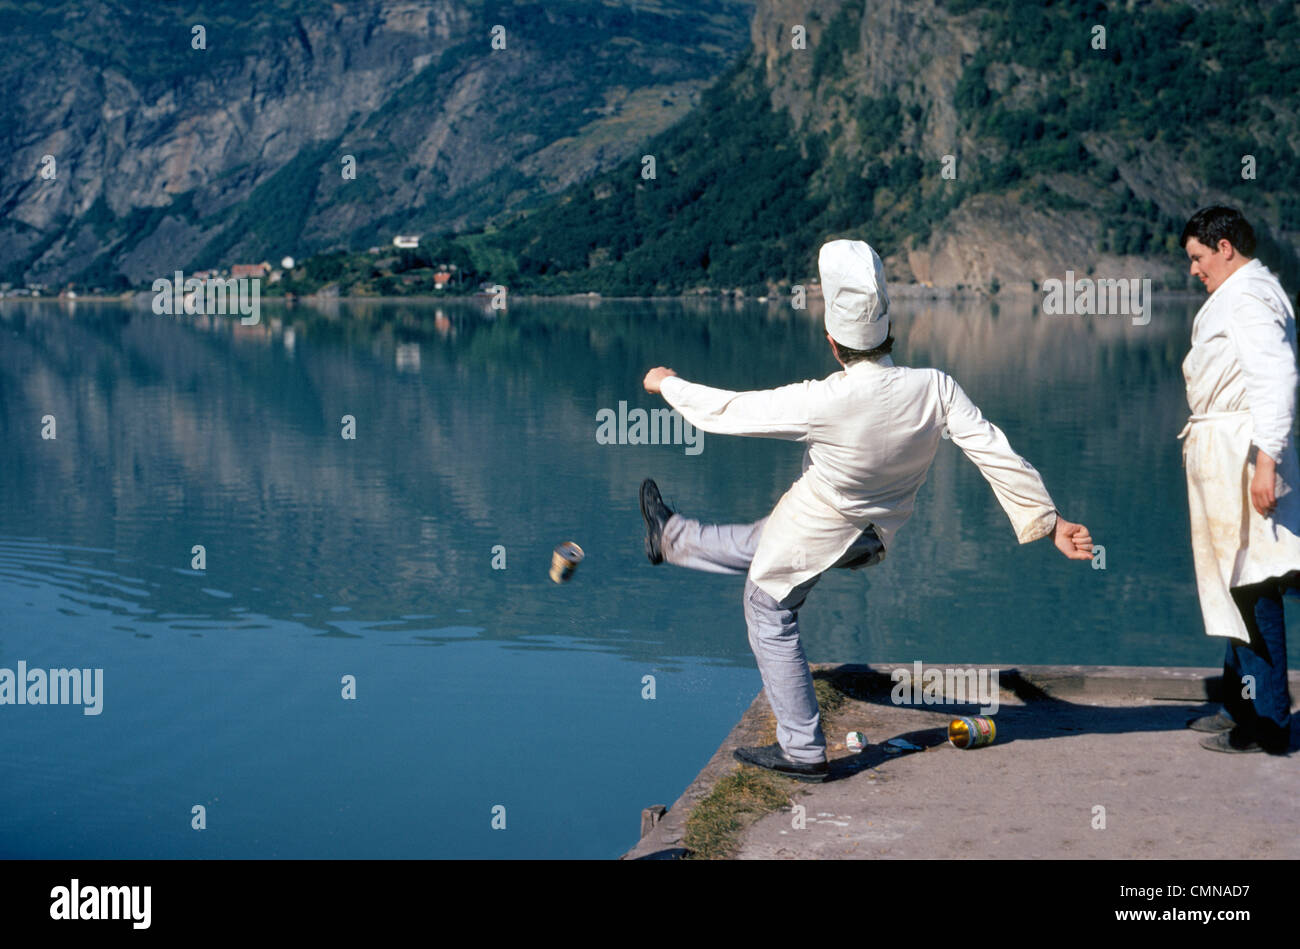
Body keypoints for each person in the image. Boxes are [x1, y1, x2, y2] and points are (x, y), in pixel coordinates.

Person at [638, 239, 1094, 781]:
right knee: (771, 542)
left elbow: (732, 410)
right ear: (888, 333)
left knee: (768, 608)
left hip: (822, 526)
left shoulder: (823, 398)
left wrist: (667, 383)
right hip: (874, 538)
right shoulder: (936, 388)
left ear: (832, 341)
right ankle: (673, 538)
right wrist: (1049, 522)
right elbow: (992, 448)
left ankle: (803, 750)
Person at [1178, 206, 1298, 754]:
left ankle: (1268, 724)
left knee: (1252, 586)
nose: (1194, 270)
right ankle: (1239, 704)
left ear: (1224, 246)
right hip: (1227, 450)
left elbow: (1276, 377)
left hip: (1242, 454)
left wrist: (1265, 463)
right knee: (1235, 581)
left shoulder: (1248, 295)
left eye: (1199, 257)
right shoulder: (1241, 292)